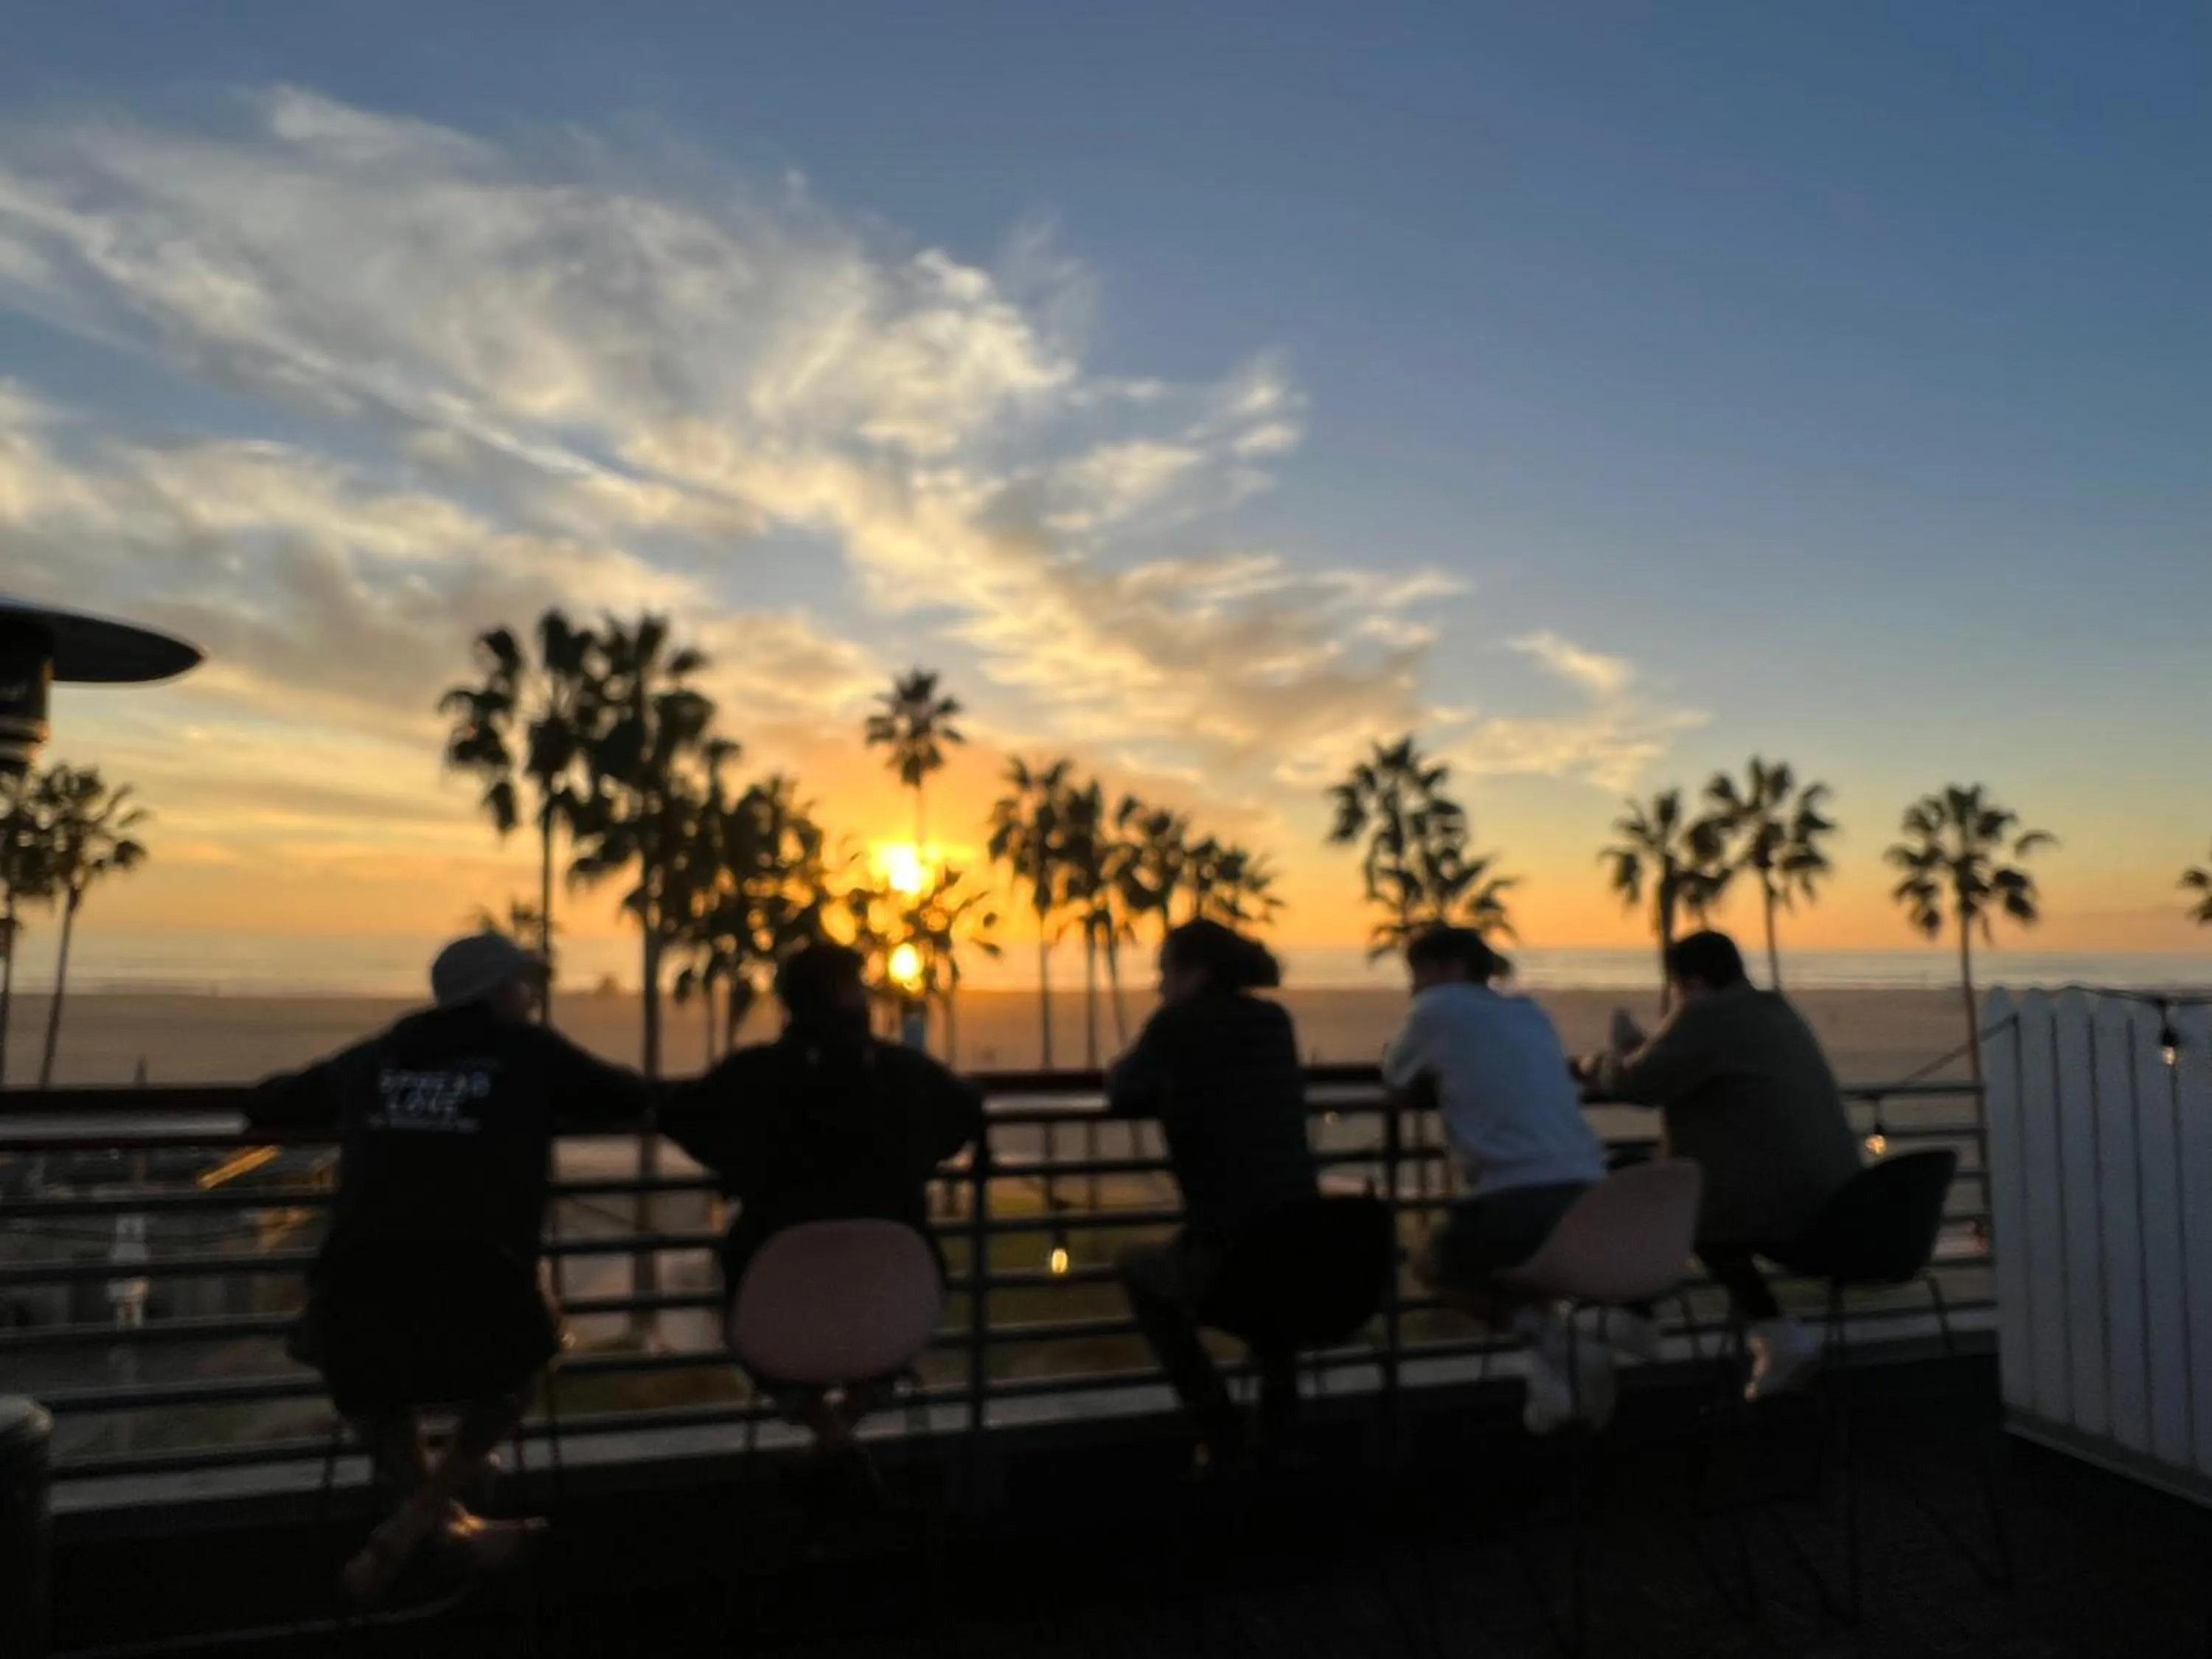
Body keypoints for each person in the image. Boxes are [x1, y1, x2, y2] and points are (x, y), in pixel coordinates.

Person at [243, 932, 655, 1604]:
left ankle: (423, 1526)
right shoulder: (527, 1053)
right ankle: (425, 1523)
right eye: (526, 985)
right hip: (485, 1319)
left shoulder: (378, 1055)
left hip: (353, 1314)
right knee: (531, 1354)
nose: (532, 997)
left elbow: (270, 1101)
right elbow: (625, 1094)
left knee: (366, 1384)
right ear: (499, 994)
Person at [658, 942, 983, 1453]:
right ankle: (846, 1427)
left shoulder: (753, 1074)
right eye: (860, 985)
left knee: (756, 1328)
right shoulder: (905, 1074)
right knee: (886, 1341)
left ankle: (823, 1430)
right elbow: (963, 1116)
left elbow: (683, 1118)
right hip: (895, 1302)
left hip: (773, 1301)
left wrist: (747, 1165)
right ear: (843, 994)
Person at [1589, 930, 1863, 1401]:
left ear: (1689, 982)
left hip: (1786, 1214)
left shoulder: (1706, 1013)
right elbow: (1700, 1064)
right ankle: (1648, 1314)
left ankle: (1635, 1312)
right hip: (1839, 1202)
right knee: (1671, 1187)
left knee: (1660, 1188)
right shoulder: (1772, 1009)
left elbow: (1639, 1087)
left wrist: (1601, 1062)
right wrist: (1653, 1051)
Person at [1382, 926, 1615, 1432]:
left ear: (1447, 968)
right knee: (1519, 1264)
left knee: (1431, 1263)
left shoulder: (1436, 1009)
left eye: (1416, 973)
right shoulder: (1529, 1012)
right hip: (1590, 1200)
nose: (1413, 987)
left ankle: (1550, 1341)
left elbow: (1396, 1085)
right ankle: (1555, 1389)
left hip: (1516, 1200)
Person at [1106, 920, 1319, 1467]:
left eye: (1165, 972)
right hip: (1302, 1248)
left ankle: (1218, 1427)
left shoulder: (1178, 1024)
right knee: (1275, 1282)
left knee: (1138, 1270)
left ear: (1195, 972)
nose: (1159, 986)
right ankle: (1279, 1424)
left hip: (1226, 1252)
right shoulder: (1274, 1021)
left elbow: (1125, 1089)